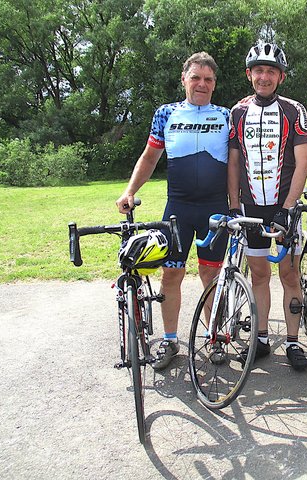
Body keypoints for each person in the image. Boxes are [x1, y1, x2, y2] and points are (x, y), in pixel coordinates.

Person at [116, 52, 230, 369]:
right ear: (184, 79)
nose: (202, 84)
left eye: (208, 79)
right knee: (172, 275)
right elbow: (150, 157)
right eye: (196, 77)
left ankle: (215, 337)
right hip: (178, 208)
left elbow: (237, 162)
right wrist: (130, 191)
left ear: (214, 83)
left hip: (214, 209)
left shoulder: (225, 115)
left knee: (212, 275)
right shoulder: (166, 114)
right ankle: (169, 340)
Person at [227, 42, 307, 370]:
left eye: (271, 71)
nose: (264, 77)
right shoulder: (237, 112)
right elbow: (234, 161)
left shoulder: (294, 110)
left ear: (281, 76)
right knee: (259, 275)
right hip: (251, 208)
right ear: (250, 75)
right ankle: (261, 338)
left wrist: (288, 207)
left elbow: (302, 163)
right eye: (259, 71)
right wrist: (235, 205)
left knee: (289, 275)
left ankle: (292, 342)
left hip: (284, 208)